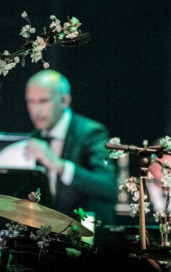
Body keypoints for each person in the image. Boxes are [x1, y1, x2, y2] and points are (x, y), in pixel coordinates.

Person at [22, 70, 117, 224]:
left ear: (64, 101)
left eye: (43, 101)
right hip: (46, 232)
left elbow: (108, 186)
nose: (35, 110)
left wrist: (59, 165)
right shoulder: (34, 137)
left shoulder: (91, 132)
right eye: (30, 102)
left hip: (85, 231)